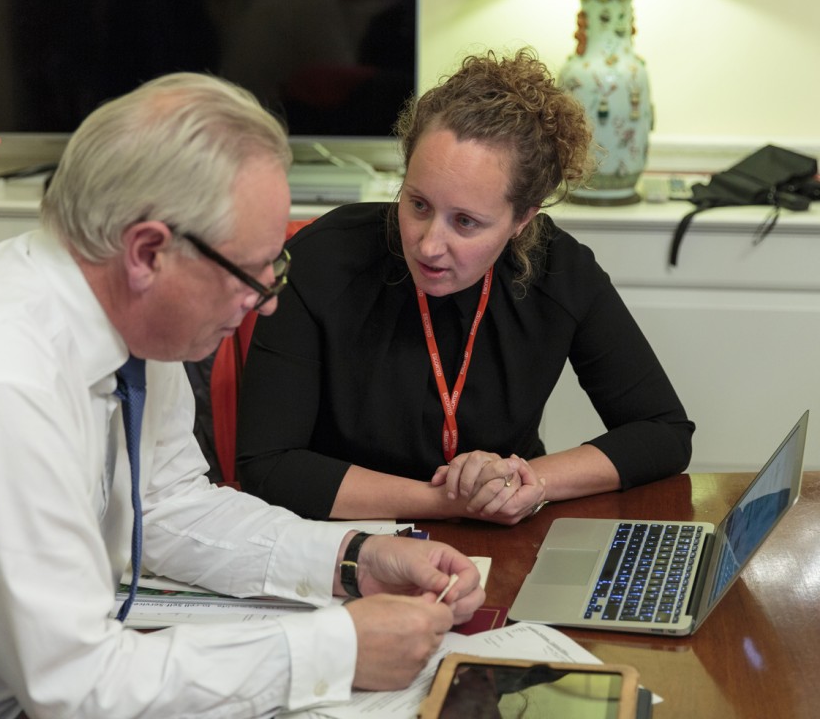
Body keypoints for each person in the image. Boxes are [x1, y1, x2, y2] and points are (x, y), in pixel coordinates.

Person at [0, 74, 484, 719]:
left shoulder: (127, 325)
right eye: (251, 271)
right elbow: (80, 689)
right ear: (148, 252)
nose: (265, 303)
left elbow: (165, 506)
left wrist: (355, 558)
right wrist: (335, 650)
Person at [236, 49, 695, 524]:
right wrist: (451, 502)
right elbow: (269, 466)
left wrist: (527, 481)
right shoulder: (323, 260)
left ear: (522, 219)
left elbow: (662, 431)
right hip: (344, 537)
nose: (430, 245)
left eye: (466, 222)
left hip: (504, 540)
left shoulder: (558, 270)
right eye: (417, 204)